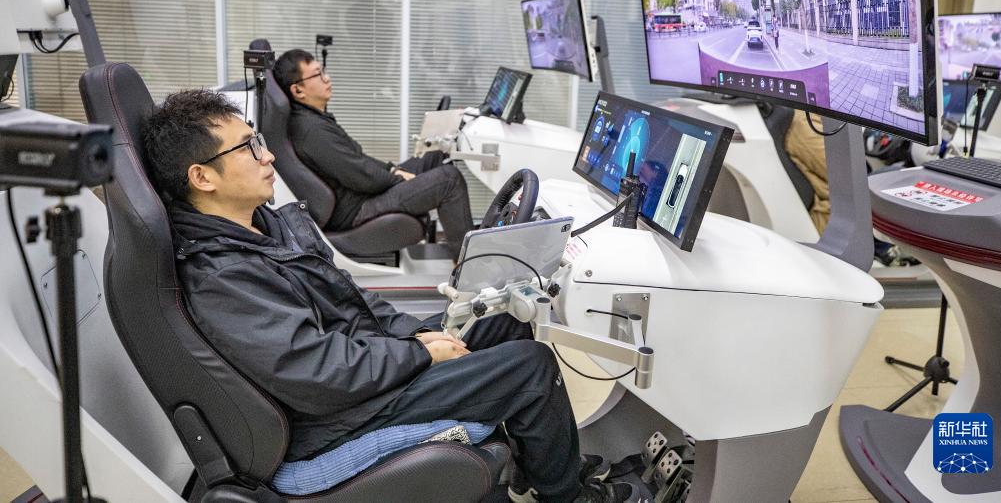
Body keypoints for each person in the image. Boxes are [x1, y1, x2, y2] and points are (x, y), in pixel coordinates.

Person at [140, 89, 632, 503]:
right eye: (248, 148)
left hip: (360, 373)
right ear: (202, 177)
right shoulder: (223, 275)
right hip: (335, 419)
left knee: (503, 318)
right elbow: (315, 373)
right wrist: (418, 355)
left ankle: (537, 469)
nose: (267, 157)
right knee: (531, 367)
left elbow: (351, 300)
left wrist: (419, 334)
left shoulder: (262, 226)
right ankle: (567, 496)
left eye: (260, 142)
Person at [272, 48, 473, 257]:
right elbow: (360, 175)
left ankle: (459, 244)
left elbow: (358, 160)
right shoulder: (312, 130)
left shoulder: (314, 118)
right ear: (298, 90)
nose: (327, 78)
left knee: (435, 156)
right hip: (357, 208)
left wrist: (392, 169)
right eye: (318, 74)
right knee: (449, 180)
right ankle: (468, 264)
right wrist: (398, 179)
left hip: (362, 194)